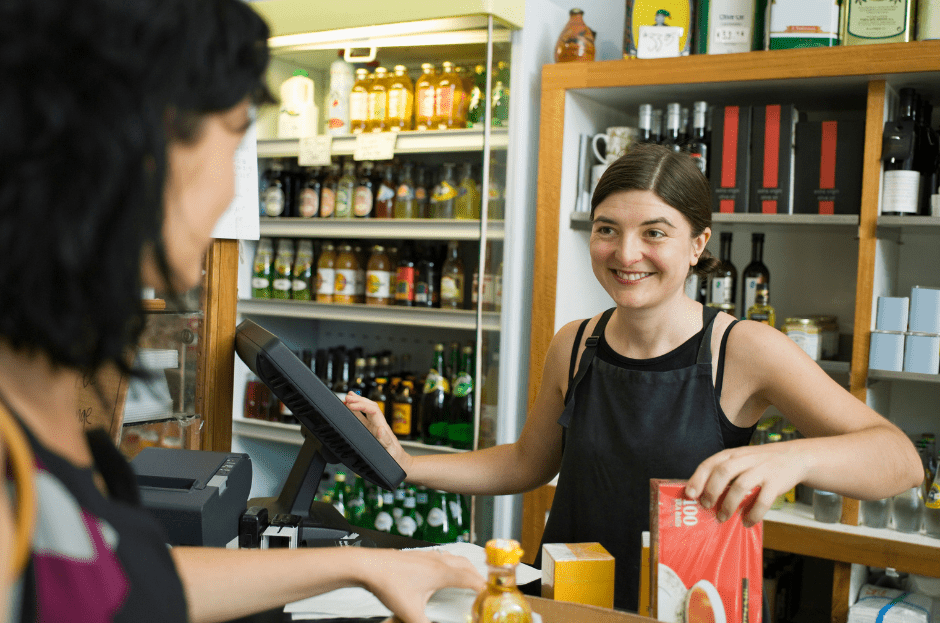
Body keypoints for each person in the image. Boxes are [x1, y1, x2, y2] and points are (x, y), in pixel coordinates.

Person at [0, 1, 484, 622]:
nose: (234, 192)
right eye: (233, 142)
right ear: (141, 148)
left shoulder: (44, 388)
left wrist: (359, 563)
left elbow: (117, 576)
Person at [345, 144, 925, 611]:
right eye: (606, 229)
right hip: (566, 602)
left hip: (679, 607)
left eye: (654, 232)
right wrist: (404, 464)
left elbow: (899, 460)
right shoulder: (575, 342)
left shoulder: (743, 350)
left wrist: (792, 459)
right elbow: (528, 463)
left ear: (697, 244)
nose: (626, 253)